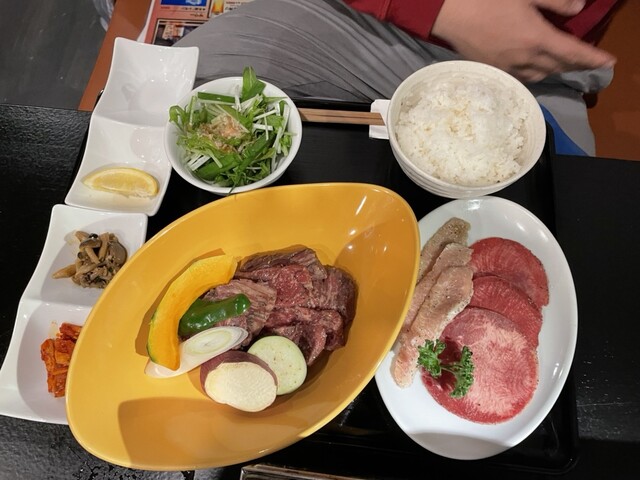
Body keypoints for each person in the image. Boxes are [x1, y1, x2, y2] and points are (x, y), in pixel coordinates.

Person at [174, 0, 622, 155]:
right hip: (384, 19)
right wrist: (440, 9)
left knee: (575, 216)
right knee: (186, 81)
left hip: (546, 65)